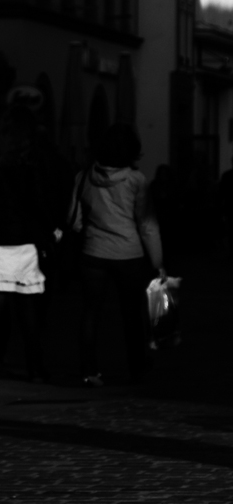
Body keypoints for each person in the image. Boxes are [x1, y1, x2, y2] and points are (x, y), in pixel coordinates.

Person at [68, 123, 163, 386]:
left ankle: (89, 370)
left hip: (93, 252)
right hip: (128, 254)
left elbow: (73, 220)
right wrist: (157, 262)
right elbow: (147, 225)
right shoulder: (136, 180)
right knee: (132, 314)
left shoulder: (85, 175)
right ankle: (137, 366)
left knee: (90, 312)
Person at [0, 104, 54, 384]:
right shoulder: (29, 165)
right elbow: (38, 204)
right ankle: (35, 367)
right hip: (22, 240)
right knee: (27, 309)